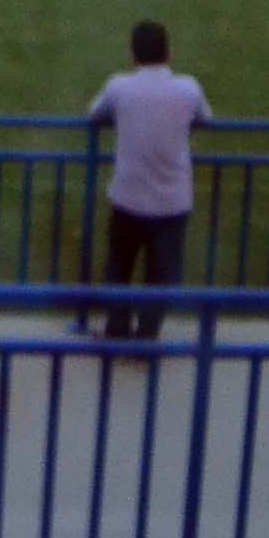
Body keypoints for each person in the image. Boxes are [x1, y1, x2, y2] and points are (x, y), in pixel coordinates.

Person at [86, 21, 213, 343]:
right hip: (172, 202)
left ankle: (117, 330)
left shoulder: (119, 87)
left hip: (128, 196)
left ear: (132, 54)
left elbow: (94, 113)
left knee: (119, 267)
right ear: (169, 52)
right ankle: (147, 336)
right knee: (160, 275)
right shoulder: (188, 88)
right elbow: (205, 119)